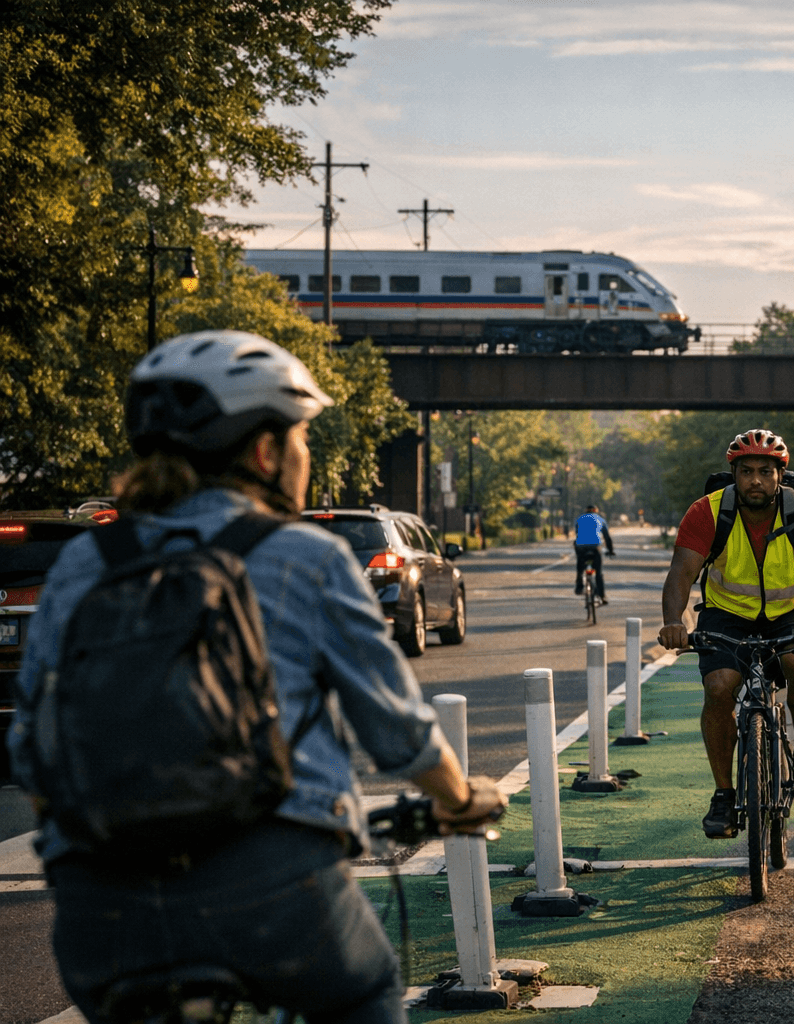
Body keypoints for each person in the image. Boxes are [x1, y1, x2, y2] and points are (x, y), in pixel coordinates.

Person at [5, 330, 507, 1024]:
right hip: (271, 886)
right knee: (365, 997)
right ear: (266, 451)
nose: (304, 454)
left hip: (101, 898)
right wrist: (458, 798)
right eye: (301, 437)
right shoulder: (305, 555)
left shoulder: (86, 564)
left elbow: (32, 743)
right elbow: (396, 730)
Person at [657, 429, 794, 837]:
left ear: (780, 474)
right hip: (727, 614)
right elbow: (681, 573)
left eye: (765, 471)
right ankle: (724, 794)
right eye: (746, 471)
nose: (756, 481)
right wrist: (676, 621)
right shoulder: (707, 512)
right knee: (719, 687)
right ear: (734, 473)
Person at [573, 504, 614, 604]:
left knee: (580, 563)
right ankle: (601, 596)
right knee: (598, 573)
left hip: (581, 548)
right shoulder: (601, 519)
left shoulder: (579, 519)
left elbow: (577, 532)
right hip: (595, 548)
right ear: (596, 511)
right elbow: (607, 538)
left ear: (585, 511)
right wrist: (610, 550)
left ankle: (579, 585)